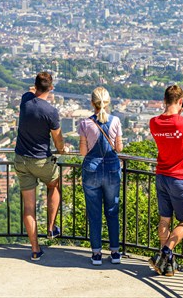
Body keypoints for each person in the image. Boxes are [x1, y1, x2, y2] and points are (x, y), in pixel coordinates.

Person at [148, 85, 183, 276]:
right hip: (181, 178)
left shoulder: (154, 122)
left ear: (164, 100)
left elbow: (166, 122)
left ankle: (166, 265)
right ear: (181, 102)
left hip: (162, 176)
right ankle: (167, 250)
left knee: (165, 219)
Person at [14, 72, 65, 261]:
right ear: (51, 88)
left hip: (21, 159)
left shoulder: (25, 100)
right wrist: (62, 149)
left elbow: (29, 91)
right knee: (54, 185)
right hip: (41, 160)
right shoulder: (50, 111)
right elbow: (58, 140)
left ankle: (35, 249)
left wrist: (34, 89)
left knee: (29, 206)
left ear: (35, 86)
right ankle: (51, 227)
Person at [78, 87, 123, 265]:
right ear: (108, 102)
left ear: (92, 103)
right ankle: (115, 252)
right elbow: (119, 148)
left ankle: (96, 253)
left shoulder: (84, 123)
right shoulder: (116, 121)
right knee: (112, 211)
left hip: (92, 170)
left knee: (94, 212)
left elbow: (83, 152)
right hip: (112, 169)